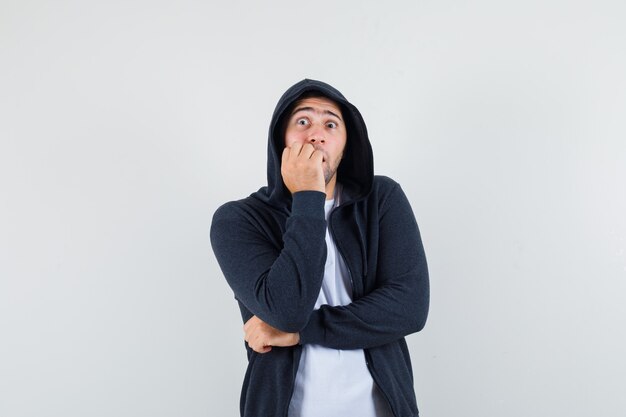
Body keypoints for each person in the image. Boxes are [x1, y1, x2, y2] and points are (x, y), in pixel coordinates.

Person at [210, 79, 429, 417]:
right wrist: (307, 196)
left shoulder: (382, 200)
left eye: (330, 123)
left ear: (346, 144)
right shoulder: (238, 220)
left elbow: (409, 307)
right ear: (280, 138)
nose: (316, 133)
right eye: (302, 122)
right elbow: (286, 309)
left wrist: (301, 332)